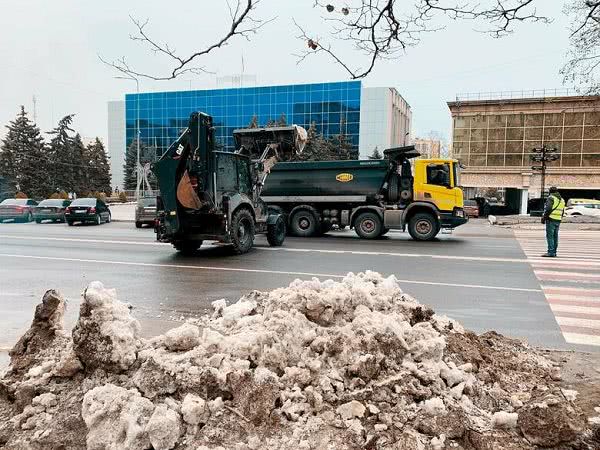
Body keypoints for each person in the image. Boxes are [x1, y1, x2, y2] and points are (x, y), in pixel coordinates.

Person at [541, 186, 565, 257]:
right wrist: (560, 218)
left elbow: (548, 209)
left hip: (551, 219)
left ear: (550, 191)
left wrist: (544, 218)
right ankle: (554, 252)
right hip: (558, 220)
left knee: (550, 236)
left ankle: (550, 252)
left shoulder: (551, 198)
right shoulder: (562, 200)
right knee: (555, 236)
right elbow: (562, 211)